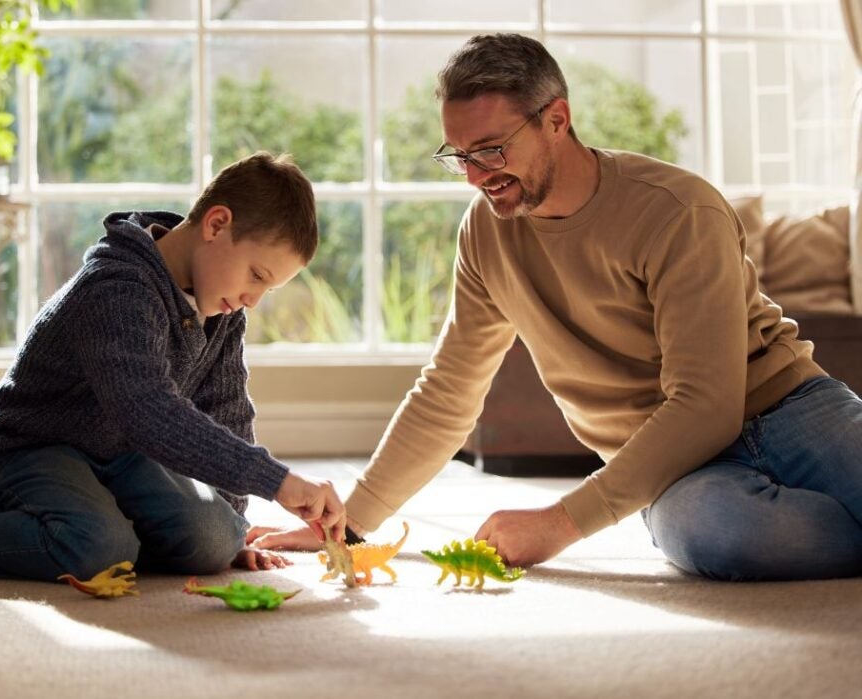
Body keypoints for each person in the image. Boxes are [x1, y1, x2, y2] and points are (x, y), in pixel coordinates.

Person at [250, 33, 862, 581]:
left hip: (790, 410)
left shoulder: (677, 210)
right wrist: (350, 524)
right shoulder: (486, 235)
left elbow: (707, 405)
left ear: (557, 121)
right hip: (674, 472)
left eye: (490, 149)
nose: (473, 177)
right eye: (458, 155)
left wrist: (560, 522)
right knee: (717, 535)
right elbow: (449, 391)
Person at [0, 151, 347, 582]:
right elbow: (148, 411)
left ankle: (106, 522)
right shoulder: (118, 287)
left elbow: (224, 410)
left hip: (126, 456)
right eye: (257, 276)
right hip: (38, 446)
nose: (253, 299)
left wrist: (233, 523)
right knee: (97, 548)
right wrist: (276, 481)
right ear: (217, 224)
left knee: (215, 541)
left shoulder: (224, 309)